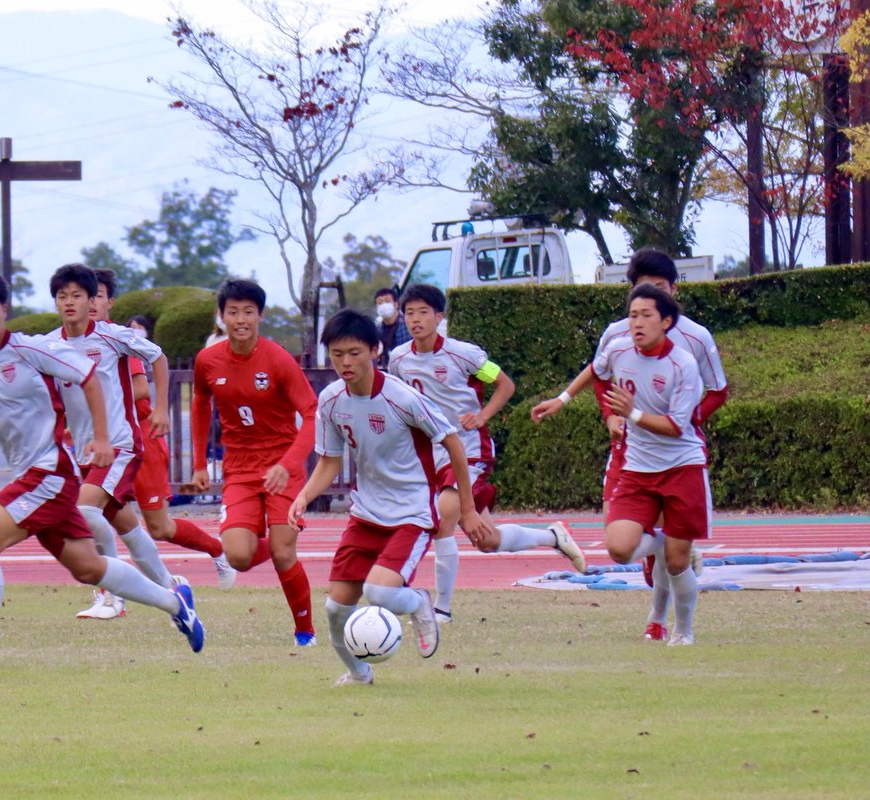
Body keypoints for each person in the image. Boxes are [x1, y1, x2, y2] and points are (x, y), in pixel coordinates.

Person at [0, 269, 203, 675]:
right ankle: (176, 603)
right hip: (36, 475)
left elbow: (88, 377)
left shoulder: (32, 348)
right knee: (88, 567)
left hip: (50, 473)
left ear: (5, 310)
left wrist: (103, 437)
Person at [288, 309, 491, 686]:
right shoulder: (331, 401)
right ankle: (358, 674)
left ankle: (418, 603)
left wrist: (466, 508)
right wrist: (303, 496)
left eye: (354, 352)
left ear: (375, 351)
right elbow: (330, 462)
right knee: (335, 610)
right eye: (336, 354)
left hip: (411, 514)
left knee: (379, 591)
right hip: (365, 515)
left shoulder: (402, 398)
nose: (345, 362)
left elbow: (453, 444)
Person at [531, 248, 726, 640]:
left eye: (654, 294)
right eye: (637, 298)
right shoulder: (618, 336)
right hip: (632, 451)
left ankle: (667, 622)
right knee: (621, 540)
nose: (639, 314)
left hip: (678, 452)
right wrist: (599, 412)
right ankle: (660, 585)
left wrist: (687, 417)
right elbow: (599, 372)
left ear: (672, 294)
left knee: (674, 559)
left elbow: (716, 392)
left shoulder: (693, 342)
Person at [389, 284, 586, 623]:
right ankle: (553, 536)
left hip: (468, 450)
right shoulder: (399, 359)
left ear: (439, 316)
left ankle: (442, 610)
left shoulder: (464, 354)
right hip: (430, 456)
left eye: (423, 312)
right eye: (409, 313)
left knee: (442, 519)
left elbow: (505, 384)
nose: (416, 319)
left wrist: (483, 415)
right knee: (487, 540)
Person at [43, 265, 185, 620]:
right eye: (63, 296)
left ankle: (111, 597)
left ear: (93, 300)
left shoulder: (113, 337)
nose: (70, 302)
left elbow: (159, 357)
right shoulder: (49, 345)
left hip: (120, 445)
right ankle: (173, 590)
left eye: (78, 295)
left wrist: (162, 408)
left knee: (84, 512)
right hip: (84, 451)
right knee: (126, 525)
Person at [186, 278, 317, 646]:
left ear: (260, 315)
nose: (240, 319)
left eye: (248, 311)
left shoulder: (278, 359)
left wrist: (289, 463)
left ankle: (305, 631)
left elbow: (310, 412)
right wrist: (199, 463)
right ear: (222, 316)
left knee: (283, 552)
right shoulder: (208, 360)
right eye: (233, 312)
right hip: (240, 469)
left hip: (282, 467)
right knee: (239, 556)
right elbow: (199, 402)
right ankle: (266, 545)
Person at [90, 273, 235, 598]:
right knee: (93, 512)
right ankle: (110, 596)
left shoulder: (118, 338)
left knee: (159, 527)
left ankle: (217, 551)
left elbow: (140, 387)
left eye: (97, 295)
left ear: (109, 302)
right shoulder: (76, 343)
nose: (90, 302)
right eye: (85, 296)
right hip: (107, 444)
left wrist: (99, 398)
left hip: (142, 440)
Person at [592, 284, 708, 646]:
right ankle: (657, 545)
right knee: (619, 548)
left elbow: (676, 427)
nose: (637, 323)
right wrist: (562, 399)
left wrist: (632, 413)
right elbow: (595, 371)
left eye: (646, 315)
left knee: (677, 563)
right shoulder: (619, 348)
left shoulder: (683, 364)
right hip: (638, 469)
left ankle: (683, 631)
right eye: (632, 315)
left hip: (681, 468)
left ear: (667, 321)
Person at [373, 286, 411, 367]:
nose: (383, 305)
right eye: (379, 303)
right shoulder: (376, 329)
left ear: (396, 304)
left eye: (387, 301)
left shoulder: (408, 325)